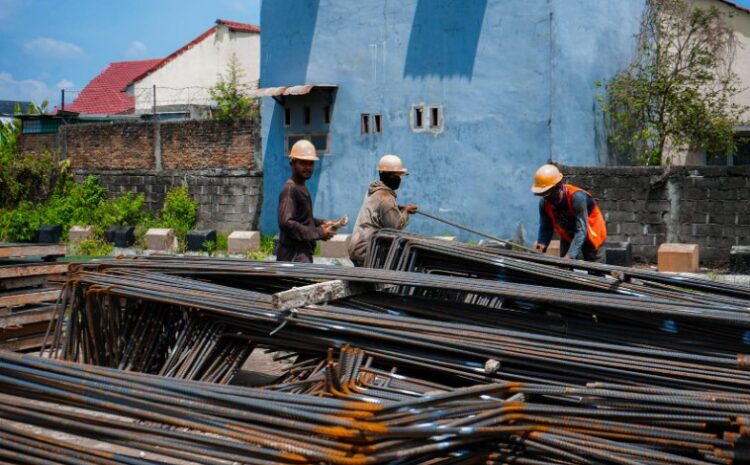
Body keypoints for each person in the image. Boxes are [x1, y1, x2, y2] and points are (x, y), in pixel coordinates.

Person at [348, 154, 418, 266]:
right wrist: (406, 212)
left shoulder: (375, 191)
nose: (399, 180)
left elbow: (384, 212)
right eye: (396, 176)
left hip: (357, 246)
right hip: (367, 250)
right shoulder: (385, 197)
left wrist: (403, 208)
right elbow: (395, 226)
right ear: (387, 176)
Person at [276, 140, 337, 263]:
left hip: (302, 254)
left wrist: (322, 223)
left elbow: (303, 218)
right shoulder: (290, 189)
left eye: (311, 163)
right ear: (292, 163)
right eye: (303, 163)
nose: (308, 167)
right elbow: (287, 223)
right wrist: (319, 232)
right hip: (293, 257)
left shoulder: (301, 187)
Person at [531, 164, 607, 261]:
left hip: (592, 235)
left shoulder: (577, 198)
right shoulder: (544, 203)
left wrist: (570, 255)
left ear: (558, 187)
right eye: (543, 194)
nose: (546, 198)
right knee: (565, 268)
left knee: (595, 271)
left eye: (547, 193)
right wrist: (541, 246)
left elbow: (581, 230)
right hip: (569, 235)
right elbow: (546, 227)